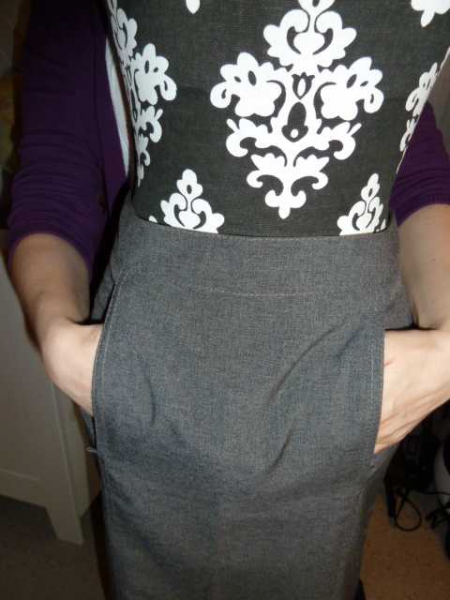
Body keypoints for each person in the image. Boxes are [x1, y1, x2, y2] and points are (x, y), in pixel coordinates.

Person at [6, 1, 450, 598]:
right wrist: (58, 338)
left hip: (338, 352)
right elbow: (53, 184)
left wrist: (446, 344)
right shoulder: (73, 16)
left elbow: (415, 166)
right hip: (156, 354)